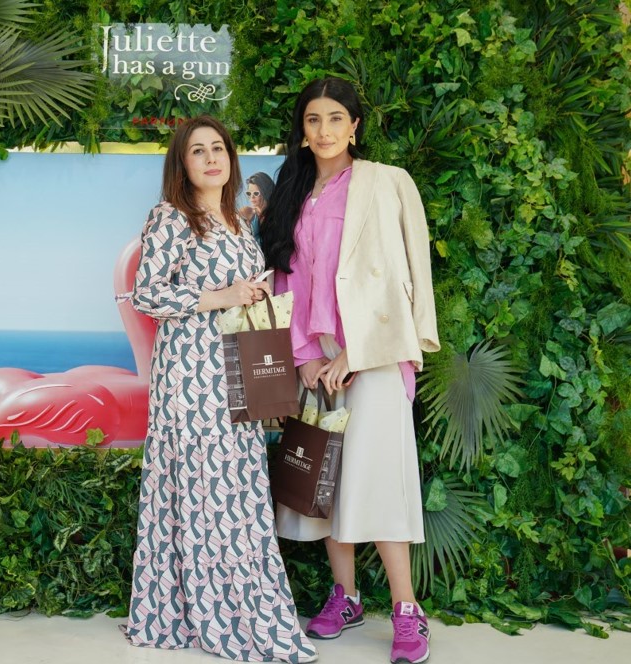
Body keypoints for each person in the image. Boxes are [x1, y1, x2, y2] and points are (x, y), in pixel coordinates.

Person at [123, 115, 318, 663]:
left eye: (218, 148)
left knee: (239, 487)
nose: (211, 158)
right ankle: (218, 615)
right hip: (191, 374)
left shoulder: (237, 219)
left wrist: (252, 296)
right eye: (197, 151)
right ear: (181, 164)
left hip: (238, 371)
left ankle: (229, 605)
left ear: (231, 157)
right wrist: (223, 296)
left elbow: (240, 291)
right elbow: (147, 294)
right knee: (208, 488)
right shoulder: (170, 216)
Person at [259, 77, 440, 664]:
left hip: (375, 356)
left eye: (336, 118)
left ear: (355, 126)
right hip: (315, 360)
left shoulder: (387, 183)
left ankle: (407, 610)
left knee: (378, 479)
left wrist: (359, 352)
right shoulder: (292, 193)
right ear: (302, 129)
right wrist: (304, 356)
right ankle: (347, 597)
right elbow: (284, 280)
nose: (324, 130)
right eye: (313, 119)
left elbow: (410, 273)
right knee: (327, 482)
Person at [240, 171, 275, 240]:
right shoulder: (247, 212)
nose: (251, 197)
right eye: (249, 193)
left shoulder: (278, 215)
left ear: (266, 192)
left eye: (256, 193)